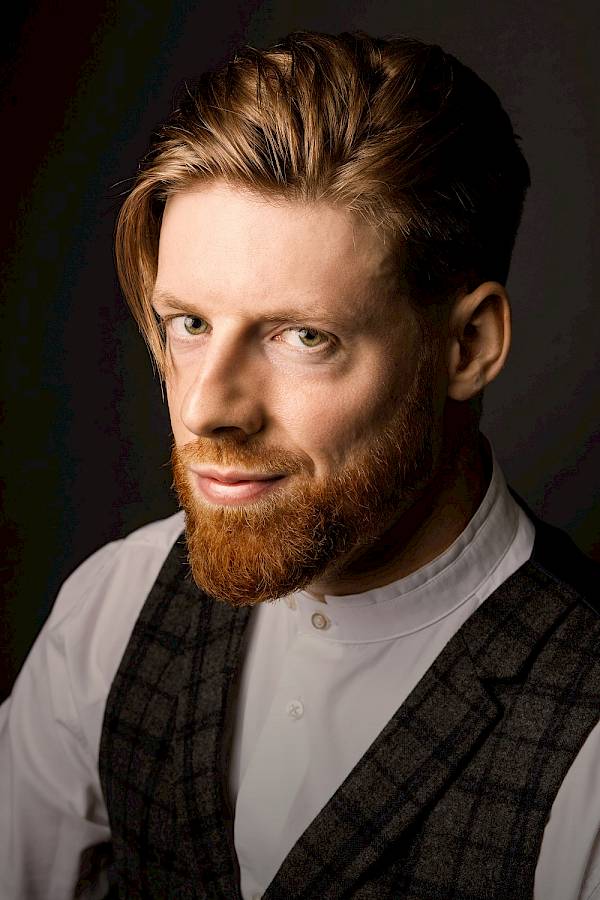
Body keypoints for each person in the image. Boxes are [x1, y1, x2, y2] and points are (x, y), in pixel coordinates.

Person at [1, 29, 599, 900]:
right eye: (189, 324)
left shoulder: (585, 735)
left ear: (469, 345)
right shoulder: (114, 608)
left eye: (303, 337)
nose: (205, 408)